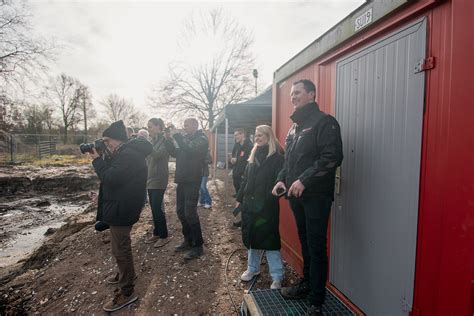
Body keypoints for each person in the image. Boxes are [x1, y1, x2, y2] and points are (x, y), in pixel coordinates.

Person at [272, 79, 343, 315]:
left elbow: (332, 157)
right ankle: (307, 284)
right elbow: (288, 161)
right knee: (305, 243)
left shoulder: (325, 123)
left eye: (298, 93)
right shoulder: (294, 128)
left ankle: (316, 301)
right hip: (295, 196)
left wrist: (304, 180)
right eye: (291, 93)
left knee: (316, 246)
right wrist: (282, 179)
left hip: (315, 196)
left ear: (312, 95)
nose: (293, 97)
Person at [89, 120, 152, 312]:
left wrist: (96, 160)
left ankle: (127, 292)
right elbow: (115, 175)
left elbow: (111, 178)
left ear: (118, 140)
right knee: (121, 248)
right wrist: (103, 156)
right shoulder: (125, 152)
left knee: (120, 250)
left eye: (108, 141)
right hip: (121, 206)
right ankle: (127, 276)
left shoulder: (129, 155)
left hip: (123, 209)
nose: (107, 145)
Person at [236, 125, 285, 289]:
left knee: (270, 240)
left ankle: (277, 276)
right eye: (256, 135)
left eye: (261, 135)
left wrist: (272, 196)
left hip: (267, 205)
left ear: (269, 136)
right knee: (252, 238)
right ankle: (253, 269)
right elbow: (245, 180)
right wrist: (239, 198)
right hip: (250, 205)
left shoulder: (277, 156)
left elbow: (281, 178)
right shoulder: (253, 154)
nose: (257, 138)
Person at [164, 118, 209, 261]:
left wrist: (176, 135)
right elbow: (175, 153)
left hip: (193, 180)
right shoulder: (184, 139)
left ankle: (198, 245)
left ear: (195, 126)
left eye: (187, 125)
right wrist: (168, 140)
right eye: (183, 125)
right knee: (180, 211)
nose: (184, 128)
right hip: (182, 179)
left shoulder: (201, 139)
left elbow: (189, 148)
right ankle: (188, 240)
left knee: (190, 213)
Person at [145, 118, 170, 248]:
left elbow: (156, 155)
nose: (149, 129)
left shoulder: (164, 140)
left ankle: (164, 235)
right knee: (153, 208)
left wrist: (146, 145)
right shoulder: (152, 141)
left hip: (159, 178)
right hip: (149, 178)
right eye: (148, 127)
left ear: (158, 126)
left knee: (157, 207)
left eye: (151, 127)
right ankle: (156, 232)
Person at [231, 128, 253, 195]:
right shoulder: (236, 145)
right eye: (235, 135)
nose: (235, 137)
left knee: (243, 188)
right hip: (236, 170)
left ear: (242, 134)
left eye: (236, 135)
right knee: (236, 184)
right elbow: (233, 155)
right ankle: (238, 194)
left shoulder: (249, 146)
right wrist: (232, 160)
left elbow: (251, 160)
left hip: (244, 172)